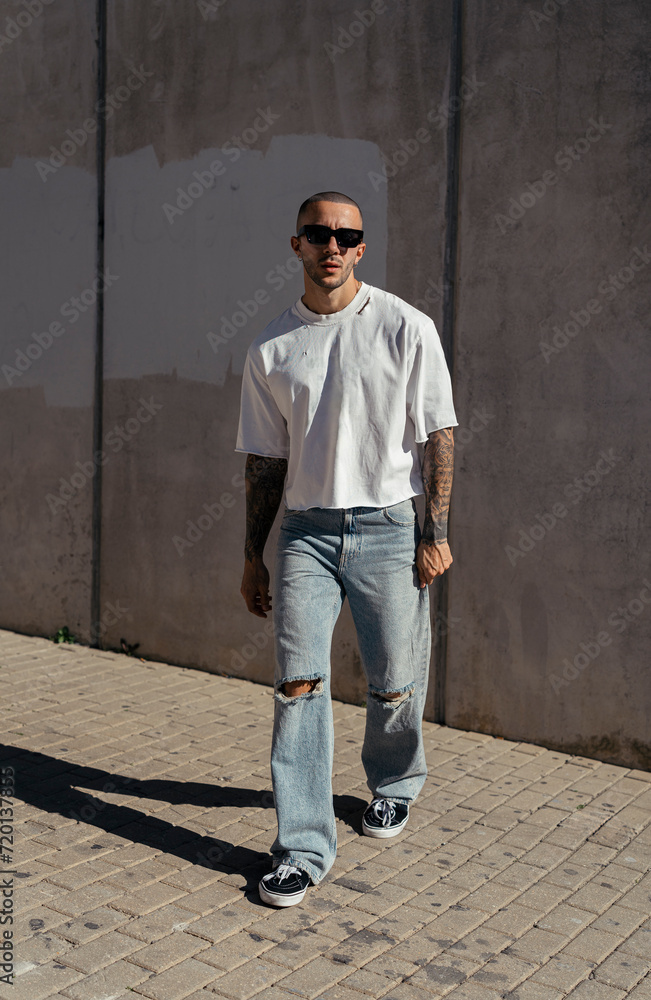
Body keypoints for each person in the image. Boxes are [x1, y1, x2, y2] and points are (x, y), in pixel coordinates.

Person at [235, 191, 457, 908]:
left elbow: (438, 434)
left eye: (346, 235)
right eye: (317, 233)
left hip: (388, 528)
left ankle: (393, 784)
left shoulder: (404, 327)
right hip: (305, 535)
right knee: (297, 686)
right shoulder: (270, 347)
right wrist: (252, 554)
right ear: (296, 244)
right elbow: (265, 461)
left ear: (361, 247)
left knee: (394, 677)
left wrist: (434, 533)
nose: (331, 245)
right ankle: (302, 848)